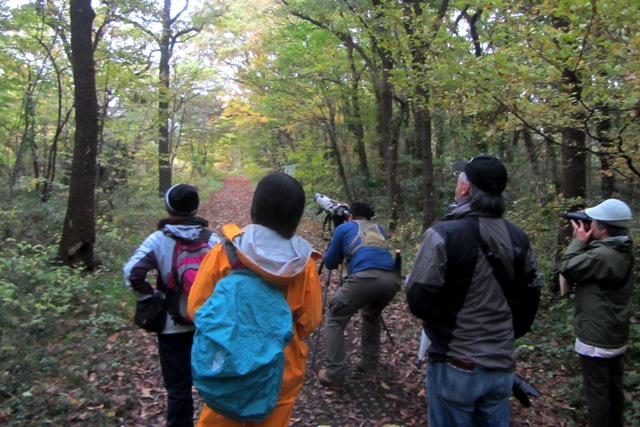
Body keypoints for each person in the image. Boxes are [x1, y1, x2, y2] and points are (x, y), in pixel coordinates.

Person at [406, 154, 542, 427]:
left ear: (465, 188)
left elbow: (419, 300)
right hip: (502, 366)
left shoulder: (444, 234)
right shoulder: (519, 238)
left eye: (459, 179)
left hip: (456, 363)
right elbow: (531, 299)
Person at [187, 172, 323, 427]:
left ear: (255, 207)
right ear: (296, 216)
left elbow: (197, 309)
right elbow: (310, 322)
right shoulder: (303, 265)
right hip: (281, 366)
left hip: (227, 360)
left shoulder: (225, 251)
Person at [124, 184, 220, 427]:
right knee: (214, 382)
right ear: (195, 208)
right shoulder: (213, 242)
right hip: (207, 325)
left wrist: (151, 296)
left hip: (171, 326)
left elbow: (132, 273)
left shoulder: (158, 240)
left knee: (178, 388)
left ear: (168, 207)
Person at [558, 198, 634, 427]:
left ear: (603, 228)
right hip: (614, 332)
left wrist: (578, 242)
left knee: (598, 395)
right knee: (613, 391)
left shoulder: (602, 256)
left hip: (596, 337)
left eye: (593, 222)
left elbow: (567, 267)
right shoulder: (622, 249)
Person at [317, 201, 403, 390]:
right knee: (371, 315)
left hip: (365, 277)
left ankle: (334, 374)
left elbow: (330, 263)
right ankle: (369, 367)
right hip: (392, 280)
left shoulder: (345, 228)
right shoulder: (378, 228)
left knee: (334, 318)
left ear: (350, 216)